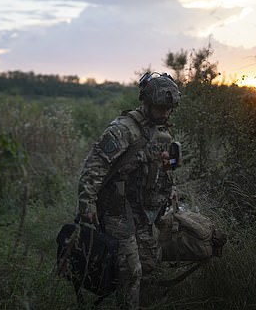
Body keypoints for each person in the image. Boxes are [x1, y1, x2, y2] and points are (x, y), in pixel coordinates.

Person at [77, 71, 181, 309]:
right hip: (117, 209)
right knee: (131, 271)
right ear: (146, 102)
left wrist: (172, 187)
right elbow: (95, 165)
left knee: (149, 265)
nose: (165, 114)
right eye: (160, 108)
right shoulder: (123, 129)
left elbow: (165, 166)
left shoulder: (162, 131)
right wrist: (87, 203)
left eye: (169, 109)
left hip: (144, 210)